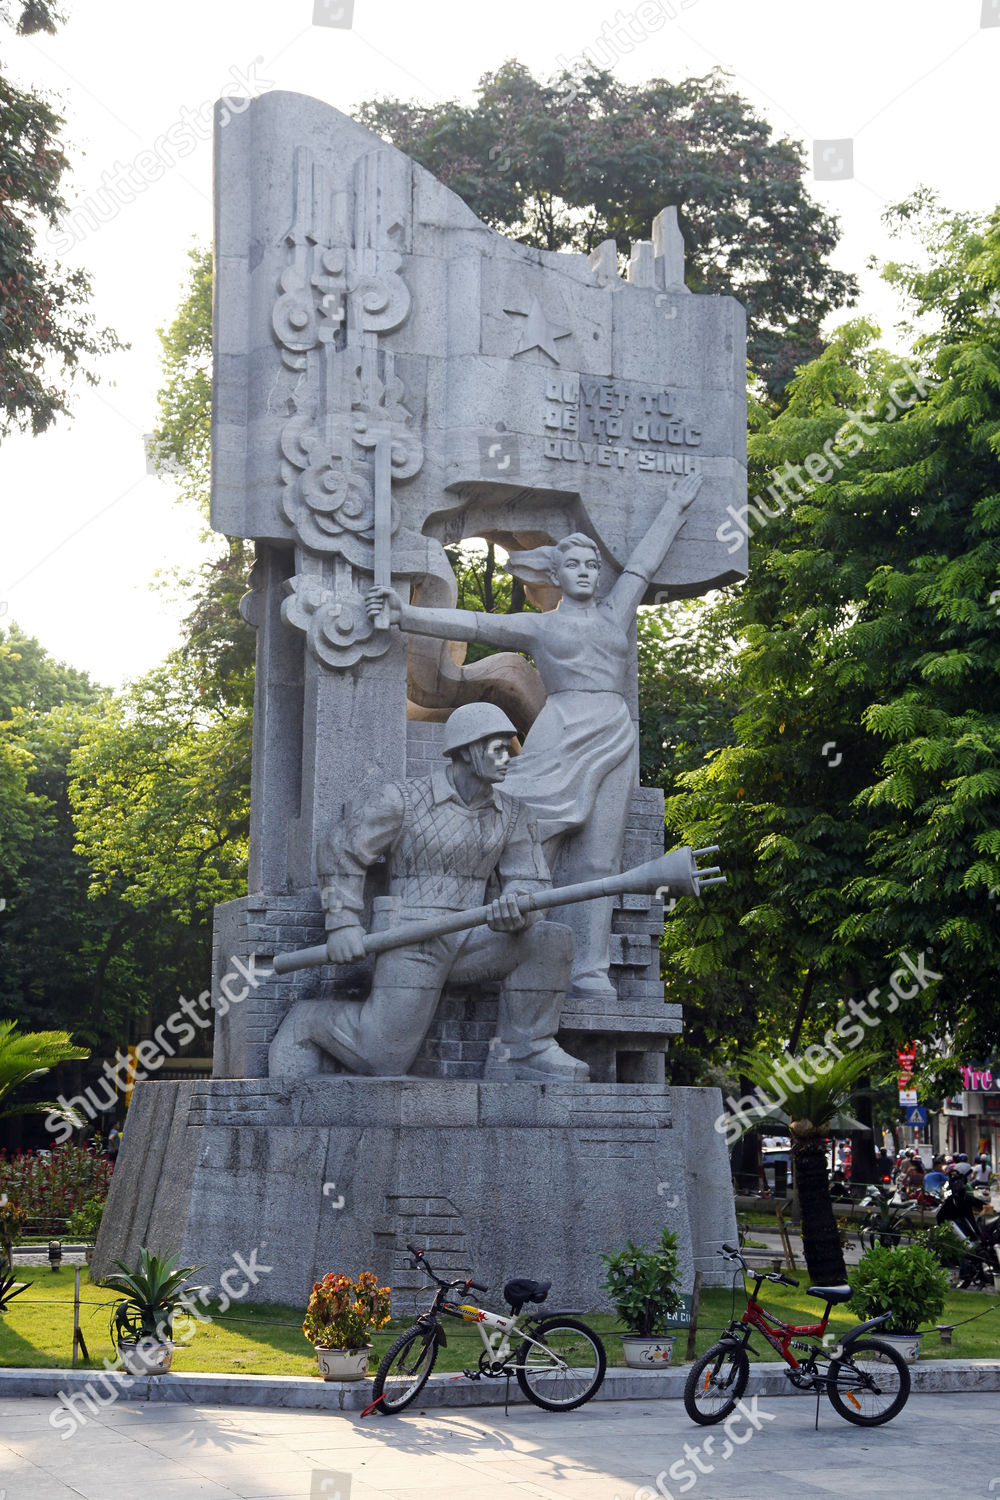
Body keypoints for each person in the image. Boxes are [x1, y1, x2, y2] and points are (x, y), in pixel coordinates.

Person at [366, 474, 702, 999]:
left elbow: (643, 564)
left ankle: (589, 968)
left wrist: (675, 508)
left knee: (599, 857)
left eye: (592, 565)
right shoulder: (541, 628)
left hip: (614, 734)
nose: (587, 572)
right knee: (521, 829)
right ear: (554, 573)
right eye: (574, 565)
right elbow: (475, 625)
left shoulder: (617, 613)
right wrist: (406, 614)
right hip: (561, 730)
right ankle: (485, 934)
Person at [268, 703, 587, 1081]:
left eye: (509, 748)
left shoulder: (515, 815)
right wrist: (342, 924)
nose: (508, 758)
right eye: (498, 749)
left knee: (550, 939)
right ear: (468, 750)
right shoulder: (402, 800)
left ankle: (523, 1053)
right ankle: (309, 1021)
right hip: (411, 934)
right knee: (381, 1059)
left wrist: (517, 905)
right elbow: (340, 852)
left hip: (476, 934)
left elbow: (531, 880)